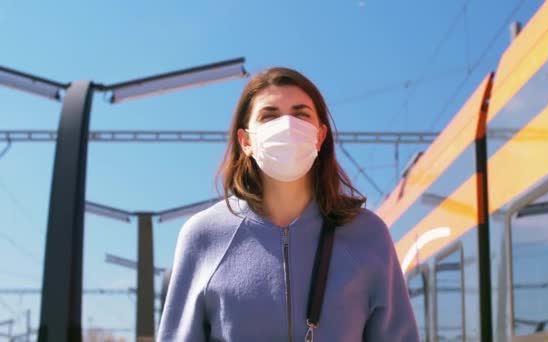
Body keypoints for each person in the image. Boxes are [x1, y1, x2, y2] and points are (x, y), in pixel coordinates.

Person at [157, 67, 419, 341]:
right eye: (269, 115)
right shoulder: (203, 235)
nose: (287, 126)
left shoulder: (368, 233)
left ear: (319, 136)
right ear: (246, 141)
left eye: (301, 114)